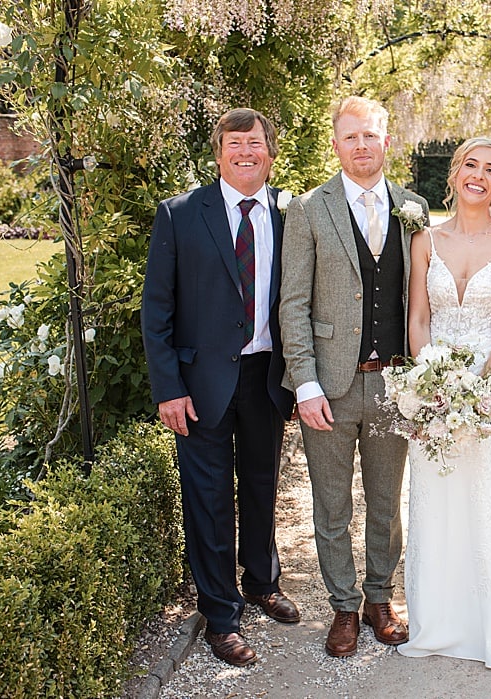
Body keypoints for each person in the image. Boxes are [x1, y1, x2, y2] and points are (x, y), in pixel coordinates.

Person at [142, 108, 299, 667]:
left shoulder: (289, 215)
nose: (245, 153)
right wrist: (168, 388)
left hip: (266, 377)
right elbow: (156, 310)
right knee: (208, 501)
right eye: (234, 144)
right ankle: (221, 615)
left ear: (270, 152)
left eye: (254, 144)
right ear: (218, 153)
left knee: (261, 487)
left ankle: (262, 581)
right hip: (200, 384)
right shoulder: (181, 214)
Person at [279, 96, 429, 658]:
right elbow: (293, 302)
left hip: (393, 383)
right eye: (350, 137)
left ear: (387, 141)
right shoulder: (309, 209)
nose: (361, 146)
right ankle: (343, 606)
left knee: (388, 501)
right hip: (330, 386)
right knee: (332, 503)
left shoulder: (413, 208)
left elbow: (423, 299)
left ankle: (378, 598)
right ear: (336, 144)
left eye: (370, 136)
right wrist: (306, 382)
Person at [396, 136, 491, 669]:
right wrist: (430, 385)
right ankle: (436, 624)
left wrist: (477, 387)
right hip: (433, 390)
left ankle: (490, 628)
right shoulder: (425, 240)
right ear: (454, 175)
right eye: (471, 166)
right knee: (434, 503)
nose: (479, 175)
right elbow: (418, 319)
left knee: (484, 501)